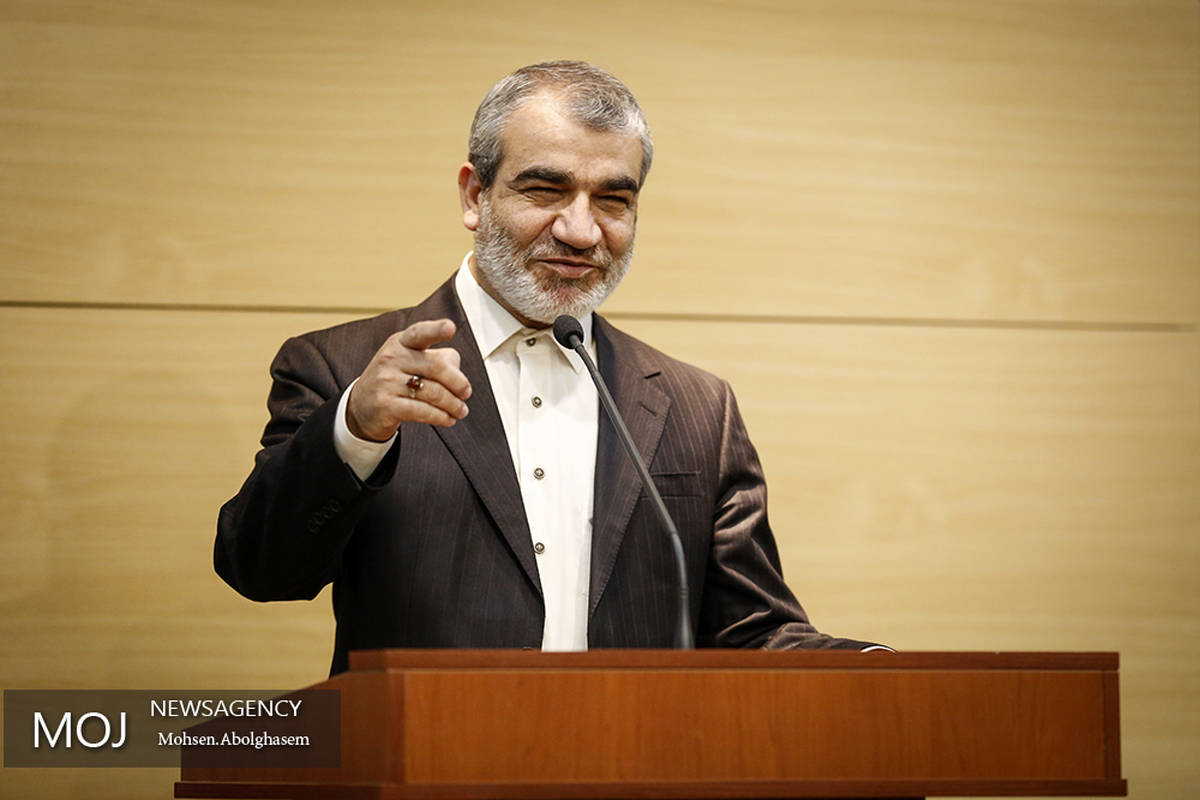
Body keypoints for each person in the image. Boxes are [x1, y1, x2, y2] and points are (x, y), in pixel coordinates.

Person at [216, 61, 885, 675]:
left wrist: (881, 673)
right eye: (545, 189)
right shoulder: (342, 371)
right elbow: (261, 571)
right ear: (474, 195)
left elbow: (752, 631)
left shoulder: (698, 408)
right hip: (424, 754)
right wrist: (355, 431)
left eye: (614, 200)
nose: (581, 231)